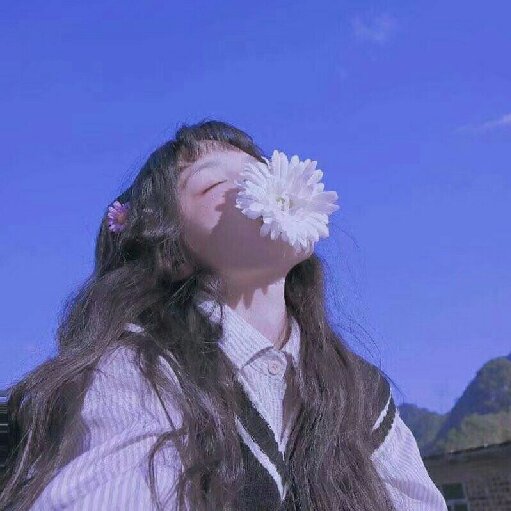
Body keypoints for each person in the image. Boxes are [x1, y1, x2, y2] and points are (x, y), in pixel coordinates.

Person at [0, 120, 447, 510]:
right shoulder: (140, 370)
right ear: (173, 252)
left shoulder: (362, 393)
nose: (256, 185)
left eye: (260, 170)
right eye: (213, 185)